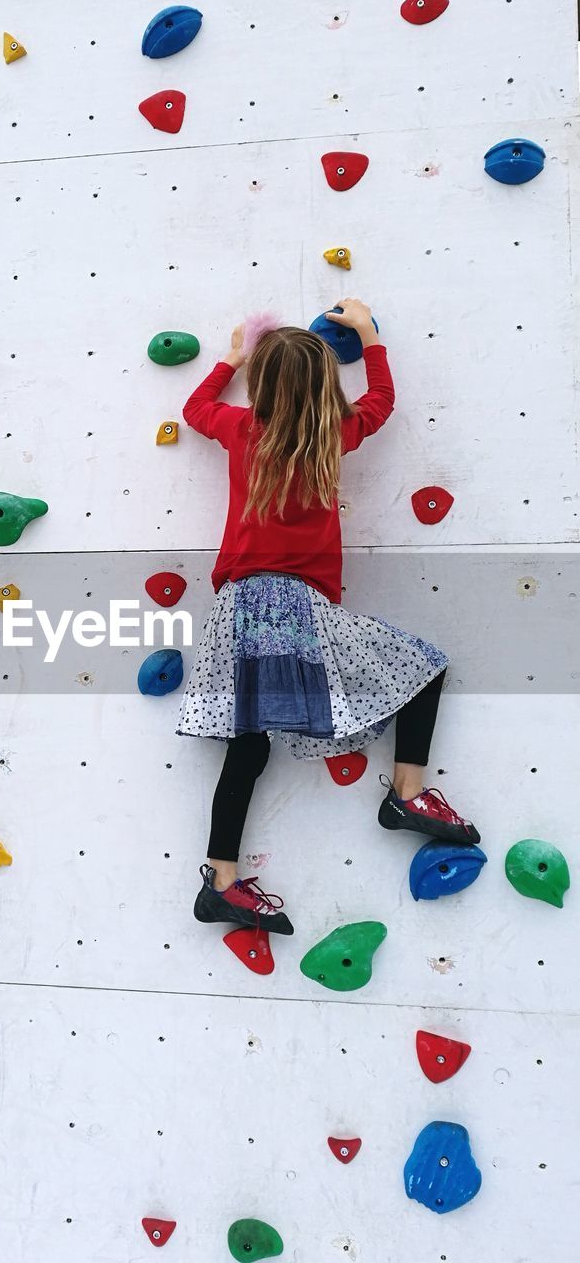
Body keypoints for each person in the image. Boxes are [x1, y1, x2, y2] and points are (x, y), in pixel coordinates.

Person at [176, 301, 480, 937]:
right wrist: (370, 337)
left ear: (260, 386)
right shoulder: (331, 434)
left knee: (249, 747)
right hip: (294, 609)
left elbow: (195, 411)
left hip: (239, 609)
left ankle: (221, 881)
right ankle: (405, 793)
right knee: (423, 668)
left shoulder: (241, 429)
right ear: (323, 388)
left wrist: (231, 356)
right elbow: (382, 401)